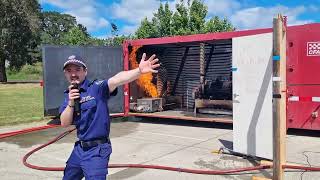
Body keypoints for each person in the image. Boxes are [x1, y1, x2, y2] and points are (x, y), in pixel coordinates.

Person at [59, 54, 160, 180]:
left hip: (97, 150)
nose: (73, 74)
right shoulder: (69, 95)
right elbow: (64, 123)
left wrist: (138, 71)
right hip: (79, 149)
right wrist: (71, 103)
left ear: (85, 71)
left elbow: (117, 79)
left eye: (77, 70)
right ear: (65, 74)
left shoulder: (97, 88)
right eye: (69, 71)